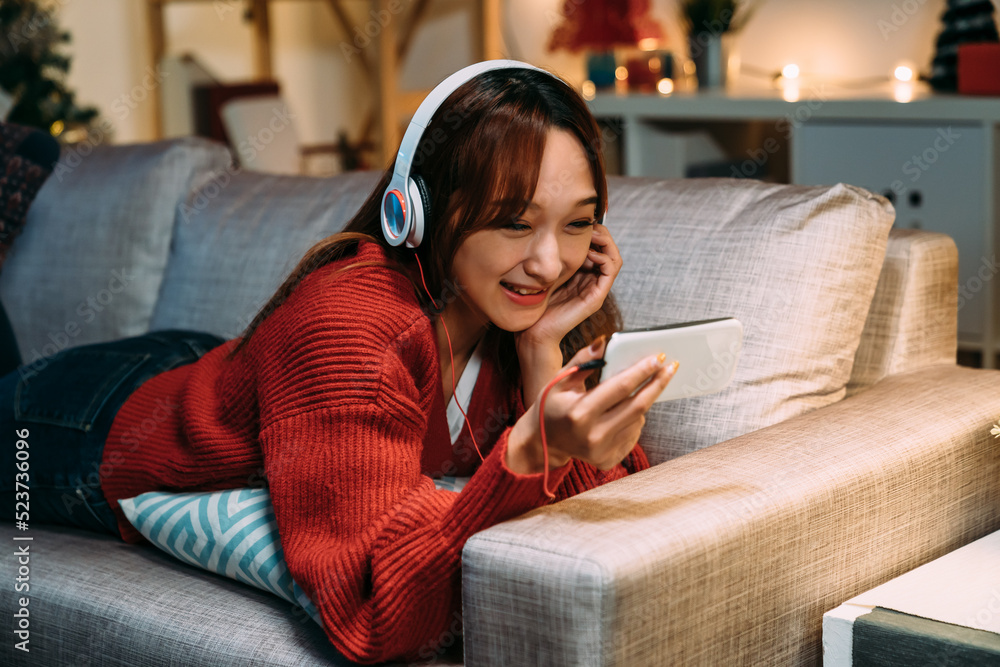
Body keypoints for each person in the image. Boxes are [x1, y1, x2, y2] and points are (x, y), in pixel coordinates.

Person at [0, 61, 677, 664]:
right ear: (416, 211)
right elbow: (374, 616)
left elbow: (611, 515)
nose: (552, 263)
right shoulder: (348, 328)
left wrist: (541, 354)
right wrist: (531, 453)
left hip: (216, 363)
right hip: (93, 421)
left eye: (578, 222)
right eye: (515, 222)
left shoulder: (524, 318)